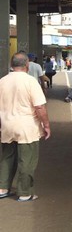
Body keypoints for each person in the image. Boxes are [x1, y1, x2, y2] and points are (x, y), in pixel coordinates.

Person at [0, 52, 51, 202]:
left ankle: (2, 188)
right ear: (27, 65)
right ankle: (24, 193)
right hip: (26, 128)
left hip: (6, 126)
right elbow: (40, 107)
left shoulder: (2, 81)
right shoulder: (30, 82)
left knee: (7, 158)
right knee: (27, 160)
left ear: (11, 65)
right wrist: (46, 125)